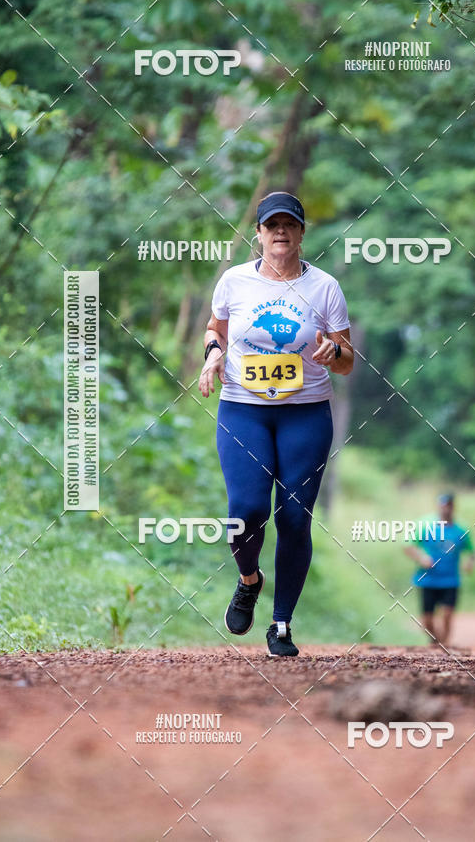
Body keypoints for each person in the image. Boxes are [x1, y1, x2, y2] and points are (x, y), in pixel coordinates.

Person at [199, 191, 354, 657]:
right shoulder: (234, 281)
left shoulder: (324, 287)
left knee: (293, 516)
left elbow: (347, 360)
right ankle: (249, 580)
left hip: (305, 413)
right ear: (259, 234)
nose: (280, 232)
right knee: (246, 510)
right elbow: (215, 329)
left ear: (302, 233)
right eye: (272, 225)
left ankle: (281, 623)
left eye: (289, 224)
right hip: (243, 409)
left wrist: (334, 351)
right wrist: (213, 354)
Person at [404, 493, 475, 646]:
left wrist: (469, 563)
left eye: (448, 506)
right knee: (427, 620)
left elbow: (471, 551)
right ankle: (436, 641)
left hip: (450, 580)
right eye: (442, 506)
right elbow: (408, 547)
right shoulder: (425, 525)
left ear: (453, 507)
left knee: (447, 614)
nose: (445, 509)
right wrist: (421, 558)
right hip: (427, 579)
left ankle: (445, 645)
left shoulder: (461, 529)